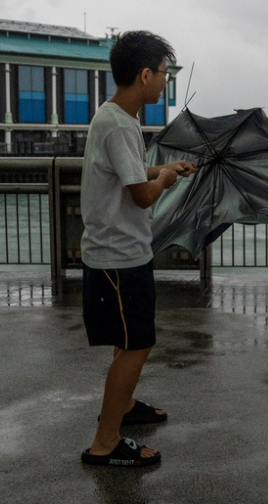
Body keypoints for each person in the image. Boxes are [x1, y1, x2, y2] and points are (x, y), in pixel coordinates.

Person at [79, 30, 197, 466]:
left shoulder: (116, 119)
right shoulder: (117, 123)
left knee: (127, 340)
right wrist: (163, 181)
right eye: (164, 73)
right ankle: (105, 443)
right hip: (118, 256)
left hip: (118, 252)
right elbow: (142, 196)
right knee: (137, 345)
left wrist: (159, 167)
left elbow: (125, 171)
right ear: (144, 74)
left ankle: (125, 410)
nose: (166, 80)